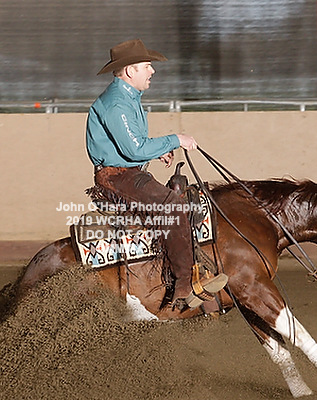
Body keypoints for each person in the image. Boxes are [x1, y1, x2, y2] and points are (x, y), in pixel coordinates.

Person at [86, 38, 228, 309]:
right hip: (118, 178)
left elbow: (132, 146)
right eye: (147, 66)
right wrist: (175, 139)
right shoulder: (117, 104)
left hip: (126, 174)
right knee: (172, 205)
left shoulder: (127, 99)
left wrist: (157, 151)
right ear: (130, 71)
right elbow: (135, 148)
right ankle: (186, 283)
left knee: (180, 198)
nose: (152, 71)